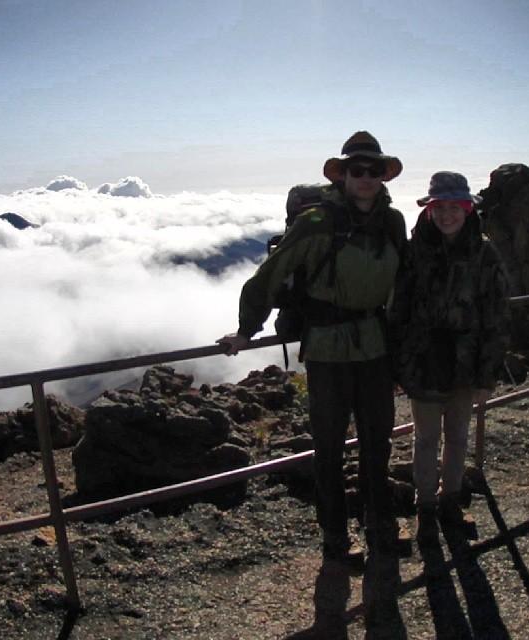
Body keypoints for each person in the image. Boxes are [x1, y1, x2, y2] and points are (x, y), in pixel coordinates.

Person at [217, 131, 407, 563]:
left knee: (378, 443)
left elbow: (405, 283)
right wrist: (247, 330)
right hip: (327, 350)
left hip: (376, 346)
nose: (364, 177)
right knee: (329, 447)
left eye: (372, 170)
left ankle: (379, 526)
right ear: (343, 175)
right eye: (356, 169)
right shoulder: (317, 221)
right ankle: (336, 537)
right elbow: (268, 277)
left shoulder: (392, 223)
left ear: (383, 176)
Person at [390, 171, 510, 545]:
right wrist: (397, 363)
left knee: (457, 435)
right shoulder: (413, 251)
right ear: (429, 210)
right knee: (426, 438)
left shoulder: (484, 252)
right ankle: (425, 504)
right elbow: (399, 309)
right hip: (423, 360)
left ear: (467, 208)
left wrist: (486, 376)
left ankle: (449, 500)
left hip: (465, 362)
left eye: (453, 207)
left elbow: (496, 315)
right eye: (439, 207)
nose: (446, 215)